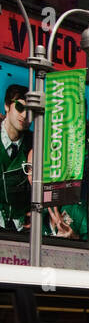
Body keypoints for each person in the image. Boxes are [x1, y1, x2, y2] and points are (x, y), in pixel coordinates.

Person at [0, 84, 32, 232]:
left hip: (22, 232)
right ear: (7, 106)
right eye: (19, 107)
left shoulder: (36, 145)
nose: (25, 116)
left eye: (31, 112)